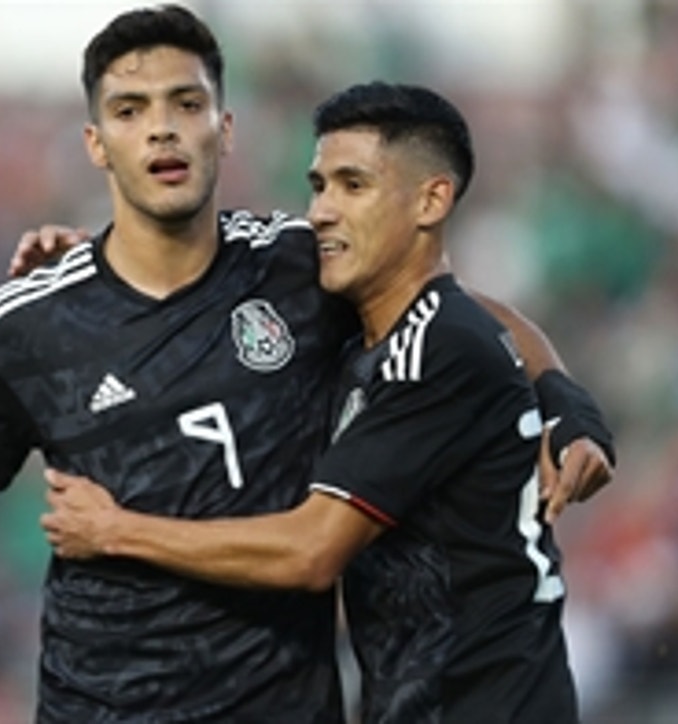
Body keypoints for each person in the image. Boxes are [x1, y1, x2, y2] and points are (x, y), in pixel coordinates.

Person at [0, 6, 611, 723]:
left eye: (186, 103)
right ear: (97, 144)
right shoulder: (26, 326)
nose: (162, 126)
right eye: (131, 110)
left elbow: (463, 312)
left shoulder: (296, 267)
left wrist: (562, 398)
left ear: (224, 130)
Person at [41, 81, 610, 723]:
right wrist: (105, 262)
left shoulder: (437, 348)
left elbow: (312, 551)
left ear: (431, 200)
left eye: (353, 185)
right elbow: (502, 323)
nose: (321, 211)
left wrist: (117, 531)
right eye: (318, 185)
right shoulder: (388, 325)